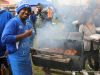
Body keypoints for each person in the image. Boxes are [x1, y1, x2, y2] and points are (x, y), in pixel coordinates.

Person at [1, 3, 35, 75]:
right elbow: (4, 38)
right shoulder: (13, 22)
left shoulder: (26, 24)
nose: (26, 12)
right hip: (17, 59)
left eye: (28, 10)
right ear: (19, 11)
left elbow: (21, 43)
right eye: (24, 9)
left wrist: (29, 48)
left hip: (26, 58)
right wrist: (24, 35)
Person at [0, 2, 14, 75]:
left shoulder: (7, 15)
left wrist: (8, 49)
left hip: (6, 52)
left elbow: (13, 32)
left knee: (12, 71)